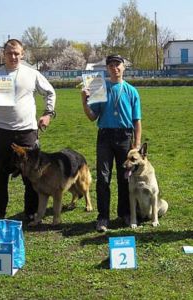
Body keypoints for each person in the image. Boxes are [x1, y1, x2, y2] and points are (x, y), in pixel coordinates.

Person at [0, 38, 56, 223]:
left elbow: (50, 92)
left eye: (16, 53)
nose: (13, 56)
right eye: (9, 53)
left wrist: (48, 114)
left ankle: (31, 211)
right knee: (0, 175)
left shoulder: (32, 74)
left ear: (22, 54)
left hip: (27, 131)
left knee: (31, 176)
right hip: (3, 132)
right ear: (3, 54)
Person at [81, 54, 142, 232]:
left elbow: (137, 120)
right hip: (105, 136)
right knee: (103, 178)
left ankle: (124, 213)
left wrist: (137, 144)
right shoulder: (99, 87)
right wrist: (84, 101)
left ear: (124, 67)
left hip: (125, 137)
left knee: (125, 177)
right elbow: (92, 117)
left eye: (118, 65)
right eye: (111, 65)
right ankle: (103, 217)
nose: (115, 68)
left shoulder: (131, 91)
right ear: (107, 69)